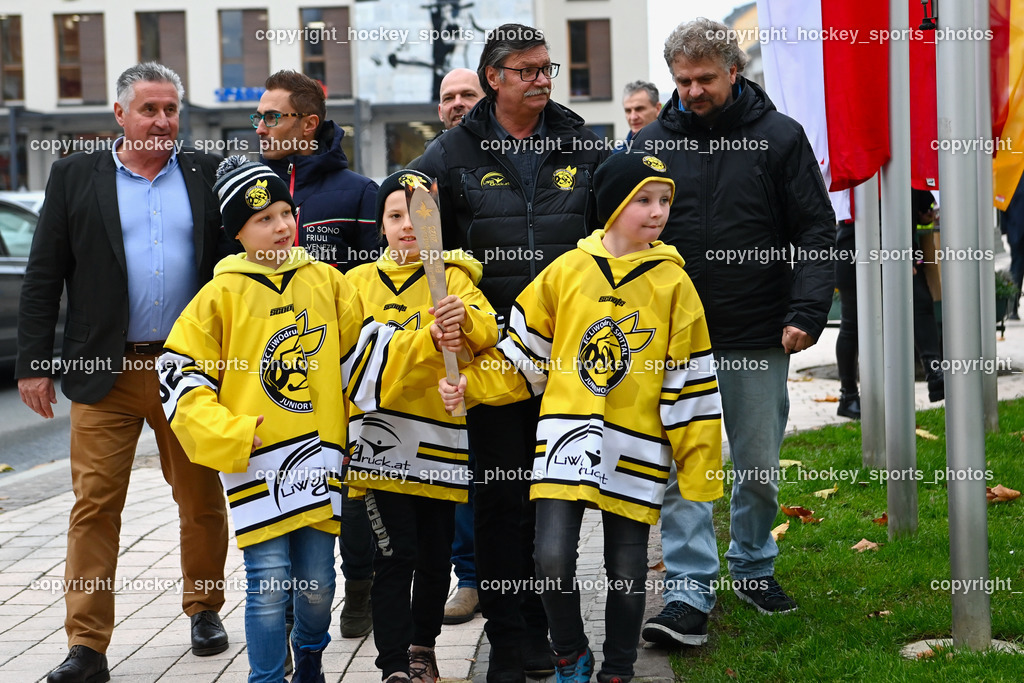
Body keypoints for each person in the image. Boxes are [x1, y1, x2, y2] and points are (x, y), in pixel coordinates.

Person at [158, 157, 455, 683]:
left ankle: (311, 661)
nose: (279, 226)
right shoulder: (217, 295)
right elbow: (179, 373)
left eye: (284, 213)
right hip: (255, 463)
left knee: (318, 586)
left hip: (319, 460)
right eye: (263, 220)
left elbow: (364, 355)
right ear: (236, 232)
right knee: (268, 584)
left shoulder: (328, 282)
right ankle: (268, 677)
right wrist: (229, 434)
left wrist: (425, 342)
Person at [441, 151, 723, 683]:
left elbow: (690, 386)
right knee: (549, 558)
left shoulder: (674, 285)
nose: (657, 211)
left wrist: (700, 467)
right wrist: (469, 388)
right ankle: (569, 653)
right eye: (643, 199)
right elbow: (522, 358)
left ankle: (617, 668)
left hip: (637, 446)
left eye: (664, 200)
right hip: (563, 441)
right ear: (613, 203)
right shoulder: (565, 272)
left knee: (625, 569)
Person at [15, 62, 231, 683]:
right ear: (120, 115)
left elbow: (229, 272)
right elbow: (43, 274)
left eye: (171, 110)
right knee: (93, 507)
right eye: (150, 110)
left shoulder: (203, 172)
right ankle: (87, 644)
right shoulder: (74, 174)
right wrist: (35, 363)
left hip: (185, 371)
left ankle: (204, 607)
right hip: (101, 373)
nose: (163, 122)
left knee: (199, 500)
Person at [415, 23, 610, 682]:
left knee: (554, 501)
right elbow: (409, 219)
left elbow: (616, 233)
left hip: (567, 361)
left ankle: (557, 634)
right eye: (526, 70)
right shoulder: (452, 153)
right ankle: (509, 640)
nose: (542, 79)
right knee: (499, 504)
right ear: (493, 76)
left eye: (546, 68)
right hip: (493, 360)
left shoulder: (581, 145)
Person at [632, 18, 836, 645]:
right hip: (674, 341)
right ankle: (689, 589)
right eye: (682, 81)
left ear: (734, 72)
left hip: (757, 332)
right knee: (684, 468)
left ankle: (753, 567)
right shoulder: (649, 142)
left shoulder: (780, 137)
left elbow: (815, 231)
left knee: (756, 467)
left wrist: (805, 312)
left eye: (704, 80)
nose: (692, 92)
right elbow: (621, 234)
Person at [344, 169, 498, 683]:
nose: (408, 225)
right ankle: (391, 666)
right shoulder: (355, 284)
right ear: (381, 225)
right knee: (394, 555)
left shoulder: (455, 278)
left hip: (441, 443)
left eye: (417, 215)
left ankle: (421, 649)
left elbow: (487, 333)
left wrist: (466, 321)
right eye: (395, 215)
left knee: (435, 558)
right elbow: (340, 362)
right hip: (378, 446)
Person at [255, 68, 379, 638]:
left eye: (271, 115)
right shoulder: (250, 191)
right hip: (271, 374)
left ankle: (360, 586)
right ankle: (283, 608)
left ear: (308, 123)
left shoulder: (356, 192)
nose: (260, 126)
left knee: (349, 489)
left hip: (339, 371)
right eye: (257, 116)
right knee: (280, 488)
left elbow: (373, 283)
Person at [429, 66, 487, 627]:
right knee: (462, 464)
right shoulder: (431, 168)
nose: (457, 104)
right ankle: (469, 578)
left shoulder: (506, 152)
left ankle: (523, 578)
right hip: (450, 337)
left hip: (515, 328)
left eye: (468, 94)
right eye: (448, 97)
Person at [911, 189, 945, 401]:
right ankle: (849, 394)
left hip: (906, 246)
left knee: (922, 304)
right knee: (853, 323)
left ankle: (935, 373)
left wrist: (924, 209)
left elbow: (919, 195)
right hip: (865, 240)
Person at [834, 218, 860, 419]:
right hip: (850, 247)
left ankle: (849, 395)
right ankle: (848, 394)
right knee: (851, 326)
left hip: (850, 246)